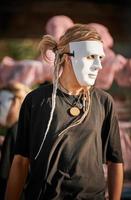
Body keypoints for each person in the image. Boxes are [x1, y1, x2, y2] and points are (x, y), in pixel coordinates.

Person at [5, 24, 123, 200]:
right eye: (91, 57)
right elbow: (21, 161)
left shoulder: (104, 101)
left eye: (100, 58)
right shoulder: (36, 101)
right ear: (68, 58)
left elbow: (115, 161)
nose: (99, 65)